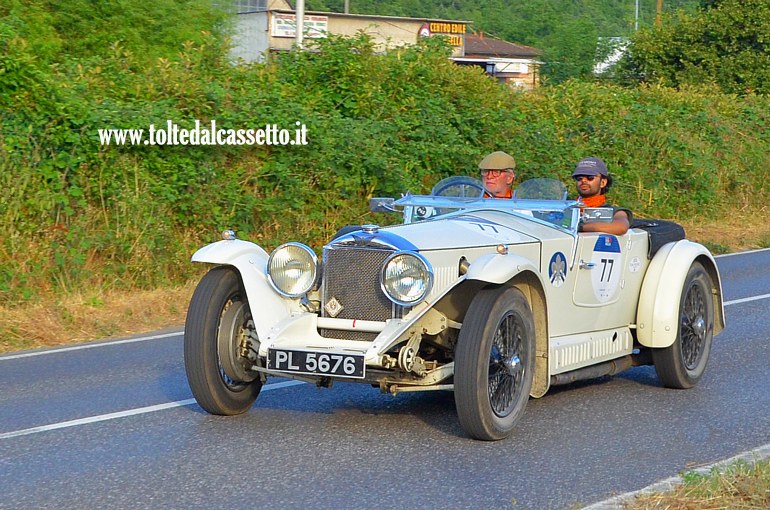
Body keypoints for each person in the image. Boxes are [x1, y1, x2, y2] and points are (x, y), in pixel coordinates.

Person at [572, 157, 631, 235]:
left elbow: (621, 227)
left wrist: (578, 227)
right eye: (579, 178)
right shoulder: (567, 208)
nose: (583, 181)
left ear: (603, 182)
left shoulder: (615, 212)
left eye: (590, 178)